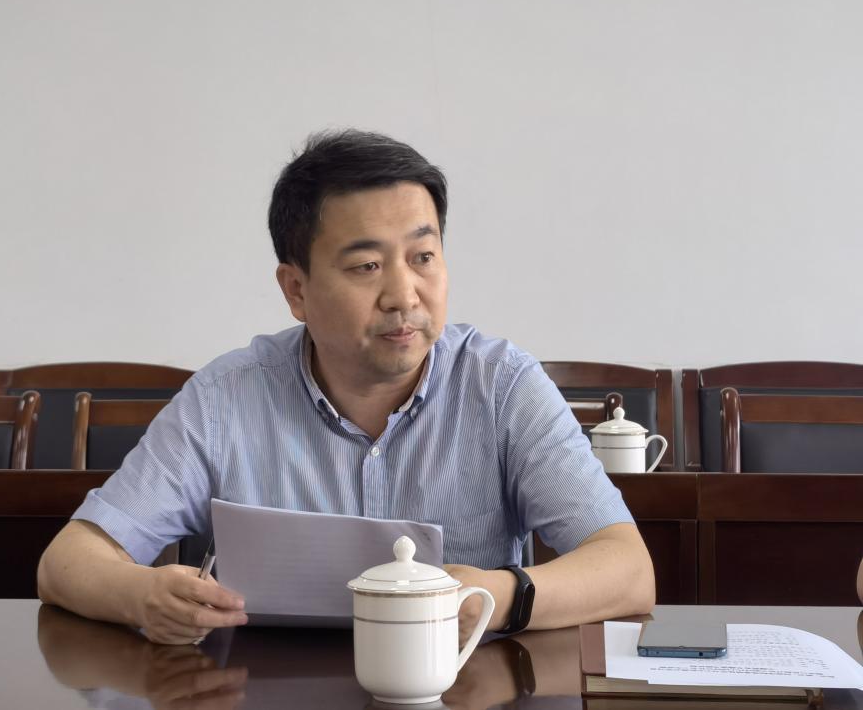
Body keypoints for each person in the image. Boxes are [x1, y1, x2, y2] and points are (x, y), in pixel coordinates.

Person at [38, 129, 656, 645]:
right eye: (366, 266)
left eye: (423, 257)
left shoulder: (501, 385)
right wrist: (140, 594)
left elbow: (628, 571)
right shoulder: (227, 397)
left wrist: (494, 596)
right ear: (296, 290)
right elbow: (67, 561)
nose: (403, 295)